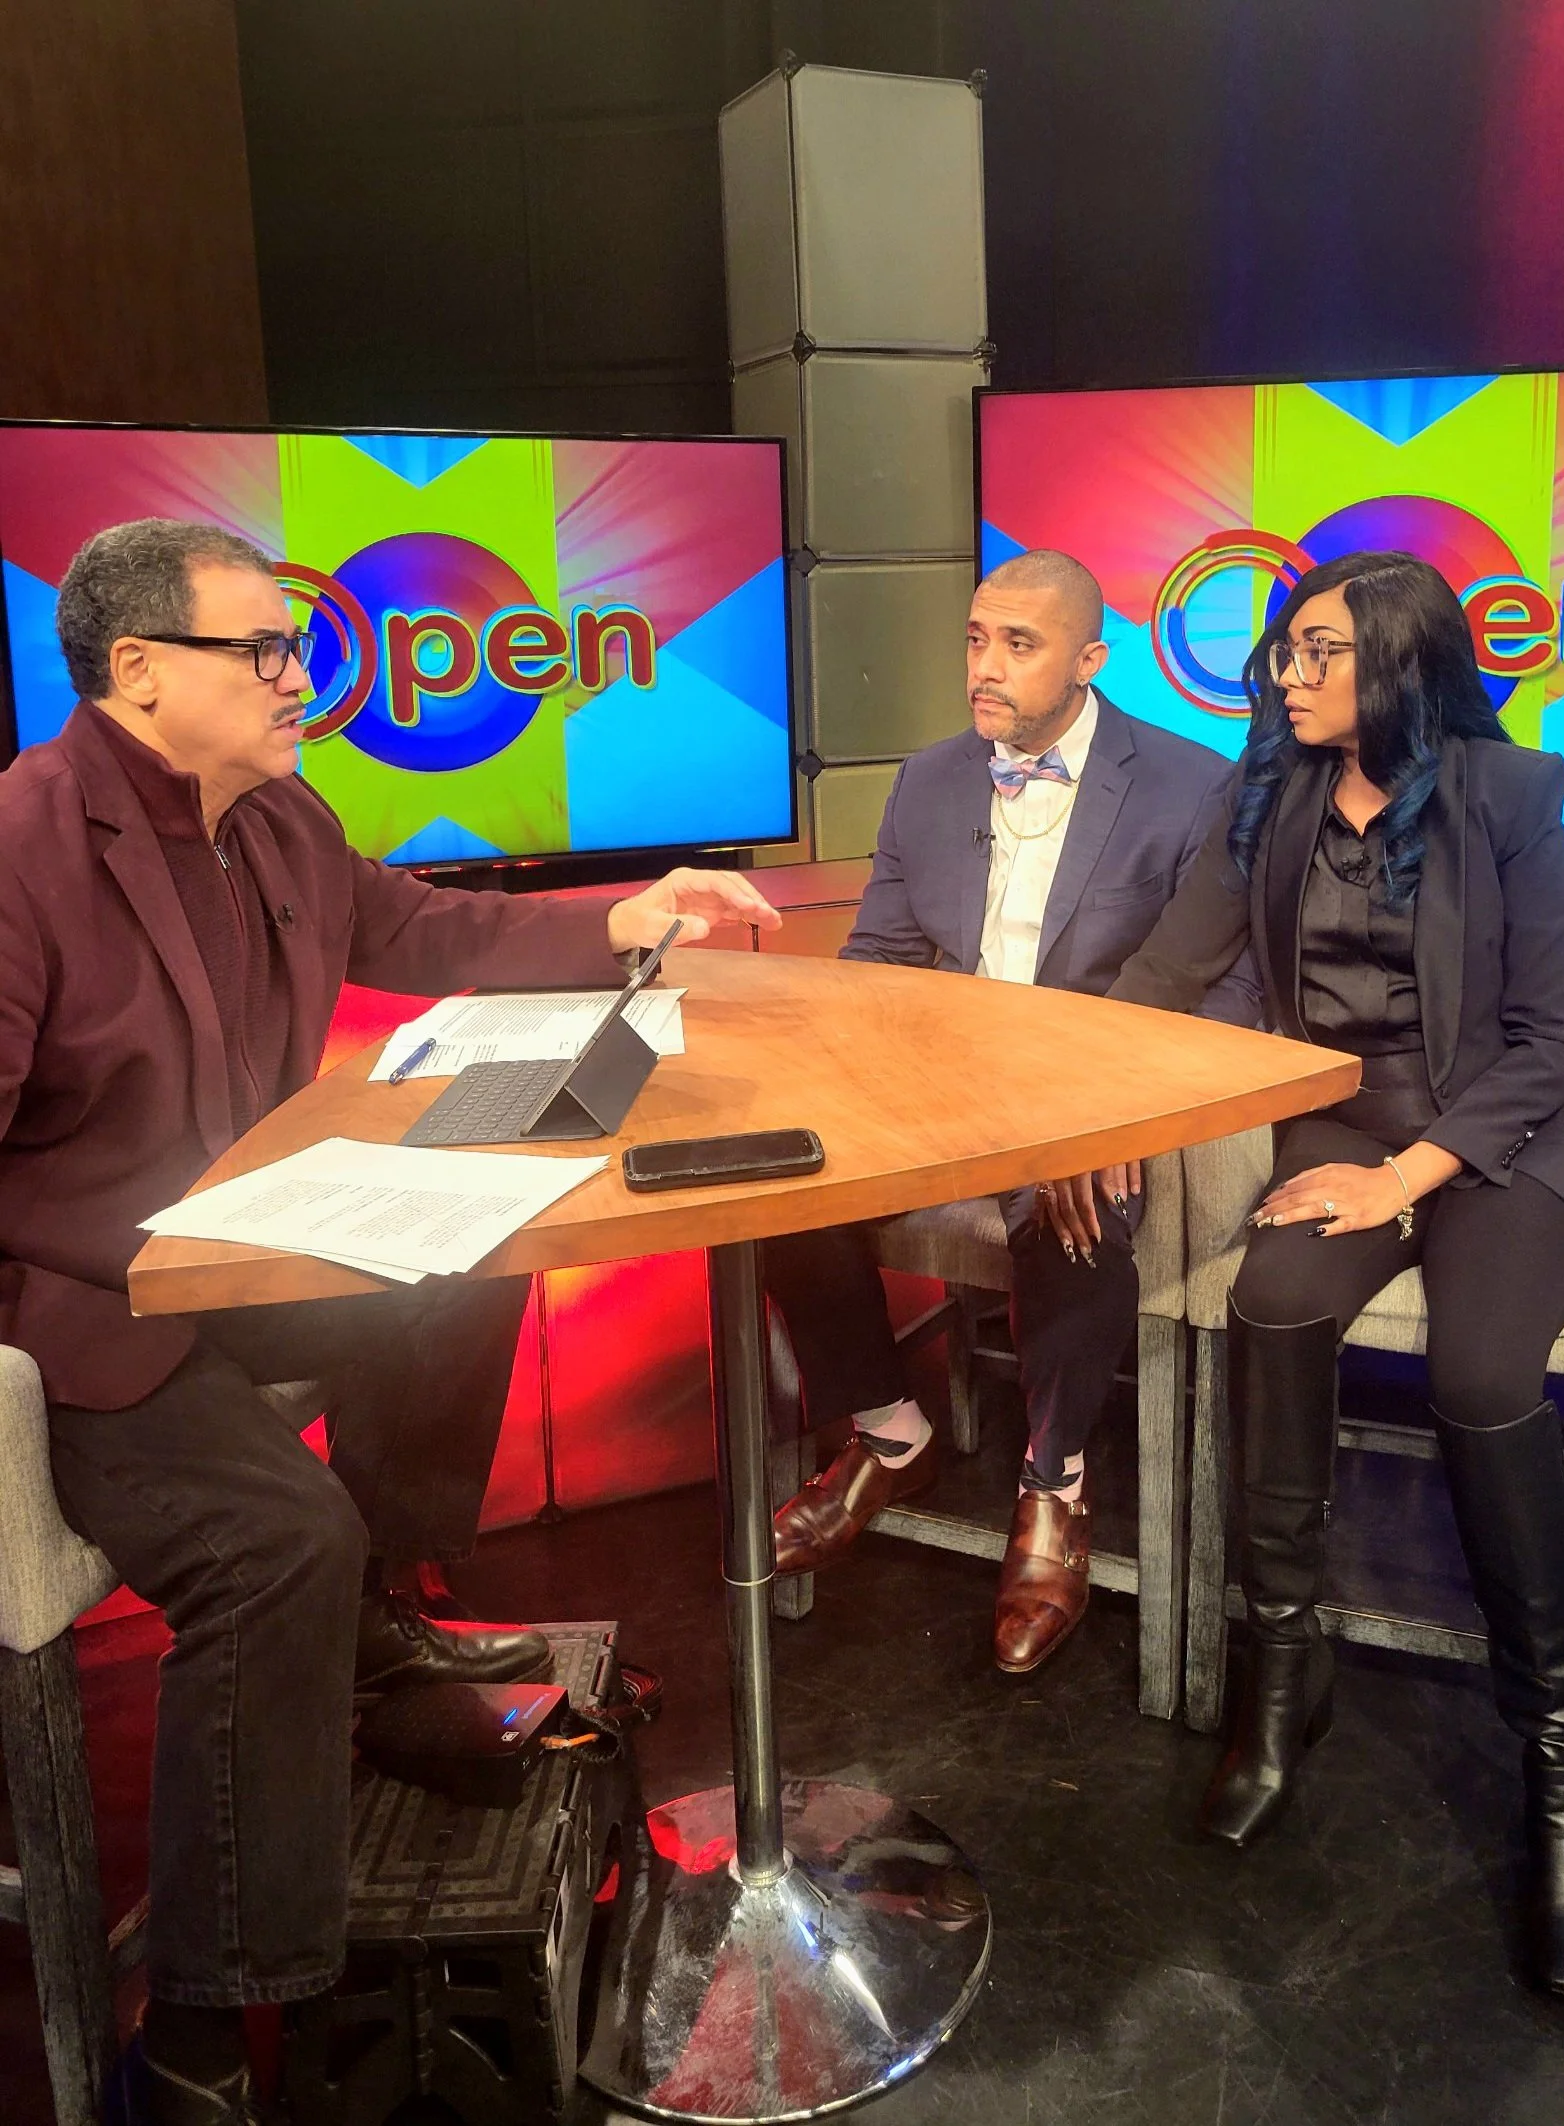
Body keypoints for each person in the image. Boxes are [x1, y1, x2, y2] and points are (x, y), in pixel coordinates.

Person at [0, 518, 777, 2126]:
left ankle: (374, 1615)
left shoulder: (277, 814)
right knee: (278, 1539)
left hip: (260, 1247)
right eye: (264, 650)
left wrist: (638, 913)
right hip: (91, 1311)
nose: (305, 675)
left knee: (479, 1252)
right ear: (139, 673)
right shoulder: (19, 847)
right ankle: (206, 2043)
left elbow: (429, 931)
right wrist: (123, 1272)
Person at [1109, 550, 1564, 1999]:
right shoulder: (1265, 790)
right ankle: (1288, 1675)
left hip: (1501, 1135)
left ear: (1399, 659)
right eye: (1285, 649)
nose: (1287, 672)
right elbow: (1167, 970)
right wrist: (1059, 1090)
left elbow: (1550, 1040)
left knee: (1478, 1375)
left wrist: (1405, 1178)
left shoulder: (1510, 798)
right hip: (1337, 1115)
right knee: (1270, 1300)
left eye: (1318, 650)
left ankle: (1561, 1769)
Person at [762, 548, 1258, 1675]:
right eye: (977, 638)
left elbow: (1225, 992)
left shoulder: (1191, 784)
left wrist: (1100, 1117)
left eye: (1018, 645)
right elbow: (881, 957)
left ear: (1090, 660)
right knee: (765, 1174)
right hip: (946, 1083)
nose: (984, 666)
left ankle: (1053, 1481)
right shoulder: (930, 778)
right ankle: (891, 1433)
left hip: (1095, 1088)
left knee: (1073, 1205)